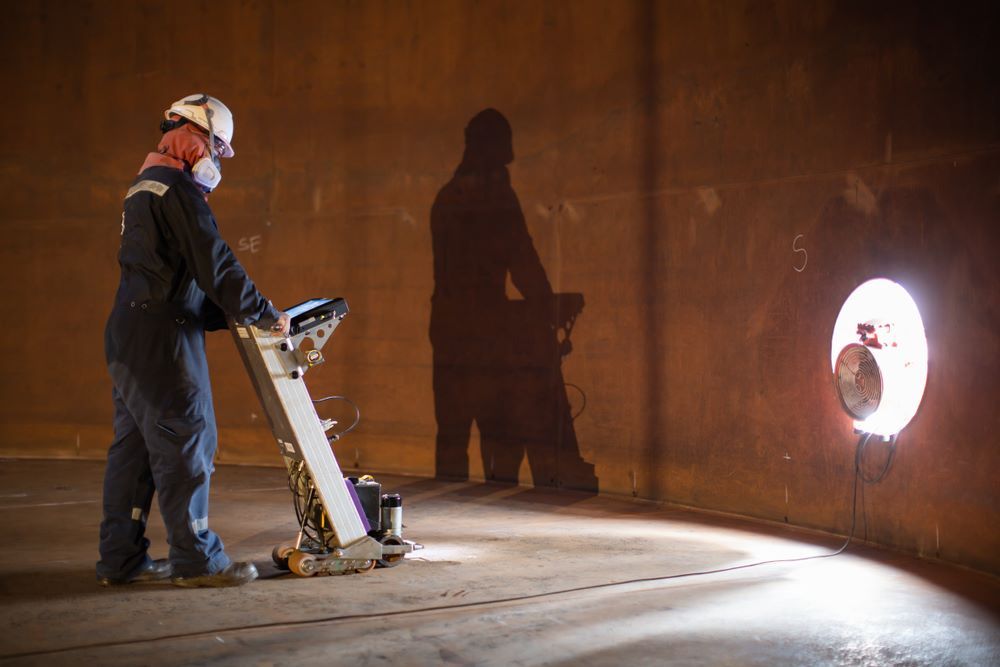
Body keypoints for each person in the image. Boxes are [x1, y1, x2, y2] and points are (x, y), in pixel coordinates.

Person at [96, 94, 289, 588]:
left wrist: (229, 314)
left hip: (132, 333)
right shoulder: (177, 189)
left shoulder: (143, 187)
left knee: (135, 451)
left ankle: (122, 560)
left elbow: (175, 275)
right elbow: (216, 264)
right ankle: (198, 560)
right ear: (198, 137)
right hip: (162, 340)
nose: (217, 161)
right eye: (217, 149)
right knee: (188, 439)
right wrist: (264, 313)